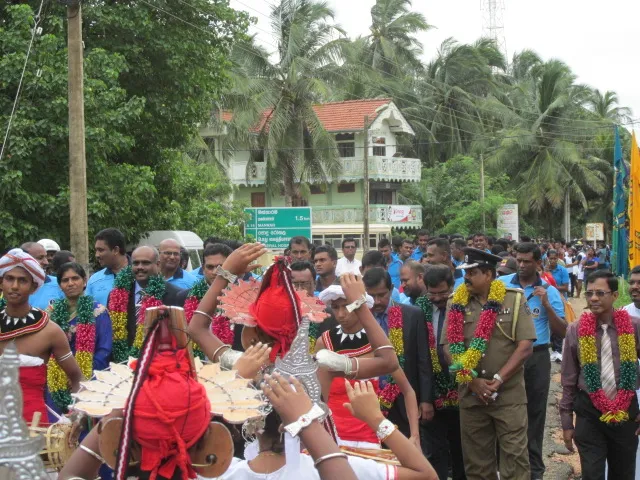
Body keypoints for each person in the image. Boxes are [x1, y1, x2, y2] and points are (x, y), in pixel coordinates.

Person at [441, 248, 536, 479]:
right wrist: (472, 381)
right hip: (471, 395)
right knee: (477, 465)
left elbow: (525, 346)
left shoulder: (514, 299)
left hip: (508, 395)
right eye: (465, 272)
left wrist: (499, 380)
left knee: (515, 461)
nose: (466, 278)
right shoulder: (456, 301)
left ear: (489, 274)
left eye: (472, 273)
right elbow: (448, 347)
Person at [560, 271, 640, 480]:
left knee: (623, 474)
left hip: (626, 412)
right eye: (589, 293)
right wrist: (567, 422)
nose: (593, 298)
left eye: (600, 293)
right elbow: (569, 378)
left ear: (615, 295)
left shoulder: (633, 326)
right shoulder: (576, 329)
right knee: (592, 474)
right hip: (589, 411)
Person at [498, 242, 566, 480]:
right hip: (506, 355)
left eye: (527, 261)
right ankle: (506, 466)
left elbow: (563, 331)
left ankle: (534, 469)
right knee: (504, 410)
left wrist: (546, 304)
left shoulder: (549, 291)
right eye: (519, 260)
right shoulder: (501, 285)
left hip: (537, 358)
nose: (522, 265)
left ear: (538, 263)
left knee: (535, 412)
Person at [0, 249, 82, 424]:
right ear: (1, 283)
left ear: (33, 287)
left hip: (34, 428)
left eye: (22, 280)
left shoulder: (50, 331)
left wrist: (74, 416)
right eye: (9, 279)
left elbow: (76, 377)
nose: (14, 286)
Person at [362, 267, 433, 441]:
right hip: (370, 399)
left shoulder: (412, 315)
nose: (377, 301)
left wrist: (426, 400)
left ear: (392, 289)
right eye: (371, 296)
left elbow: (423, 360)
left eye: (382, 295)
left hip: (404, 400)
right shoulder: (359, 319)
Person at [46, 262, 113, 415]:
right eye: (65, 280)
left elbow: (104, 350)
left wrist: (80, 376)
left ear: (84, 281)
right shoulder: (51, 314)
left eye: (75, 278)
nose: (70, 283)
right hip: (55, 381)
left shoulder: (98, 312)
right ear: (60, 285)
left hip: (89, 380)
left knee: (83, 423)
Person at [420, 265, 465, 480]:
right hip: (432, 390)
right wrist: (425, 397)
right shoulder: (419, 310)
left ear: (452, 286)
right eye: (432, 293)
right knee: (435, 451)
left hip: (462, 386)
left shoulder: (464, 306)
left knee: (461, 448)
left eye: (442, 293)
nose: (437, 298)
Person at [106, 246, 186, 362]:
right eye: (136, 263)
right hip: (122, 363)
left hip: (160, 363)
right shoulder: (116, 295)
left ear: (158, 264)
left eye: (145, 263)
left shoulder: (176, 295)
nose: (140, 267)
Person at [86, 228, 131, 307]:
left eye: (101, 250)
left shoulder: (139, 275)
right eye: (96, 250)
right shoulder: (94, 280)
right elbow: (87, 311)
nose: (97, 255)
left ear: (116, 250)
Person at [21, 241, 64, 310]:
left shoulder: (59, 283)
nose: (46, 262)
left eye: (46, 257)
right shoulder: (12, 286)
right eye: (40, 258)